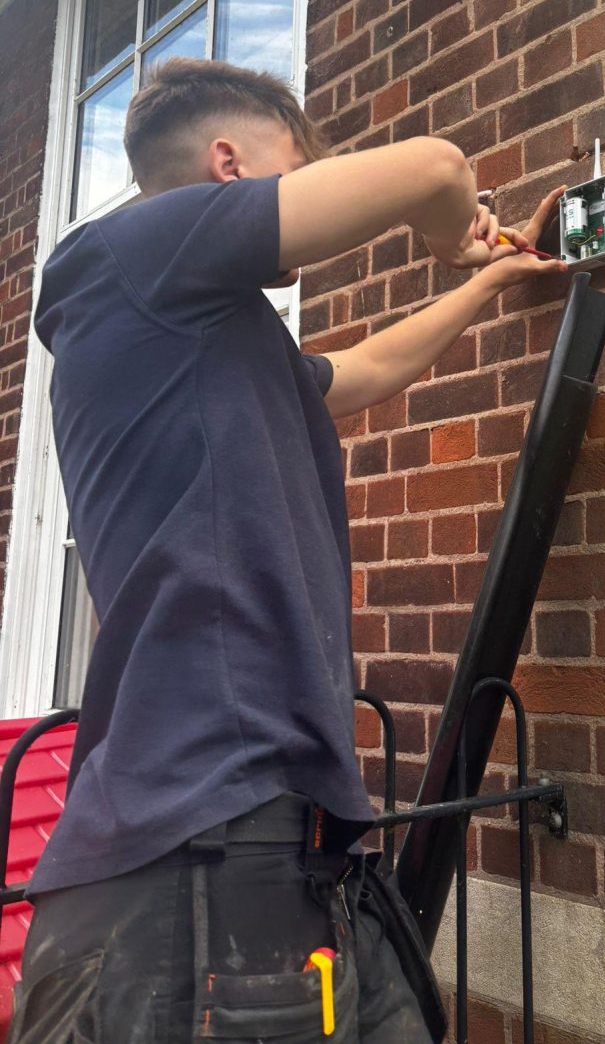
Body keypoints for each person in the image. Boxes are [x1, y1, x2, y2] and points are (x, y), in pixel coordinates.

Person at [9, 57, 567, 1043]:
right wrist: (453, 233)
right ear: (229, 165)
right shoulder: (125, 255)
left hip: (280, 843)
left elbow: (371, 366)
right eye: (294, 164)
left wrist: (490, 279)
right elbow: (436, 169)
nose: (305, 182)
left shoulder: (205, 339)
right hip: (196, 848)